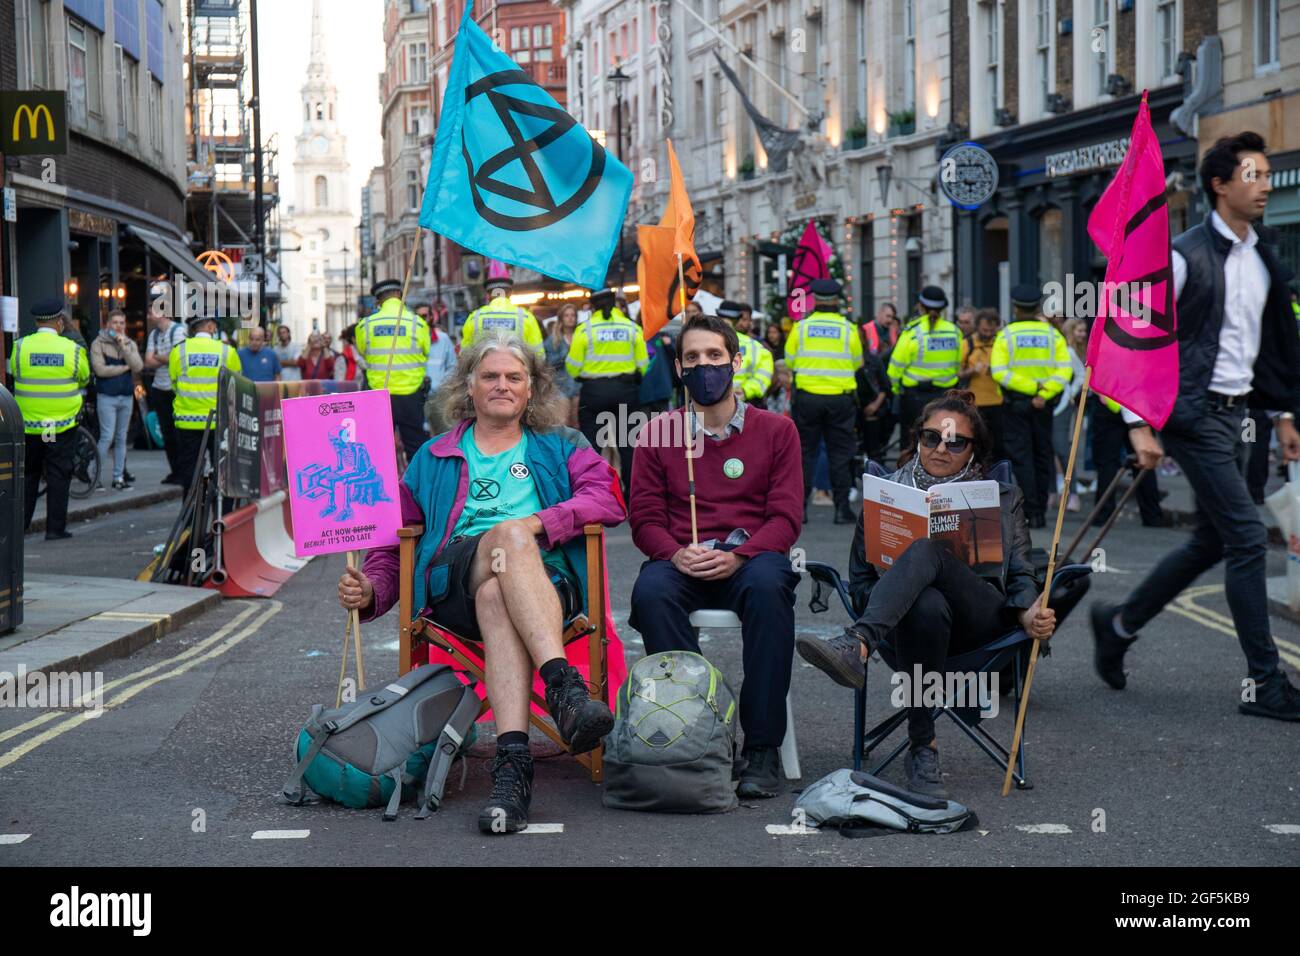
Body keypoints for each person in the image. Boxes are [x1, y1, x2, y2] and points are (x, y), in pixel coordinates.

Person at [339, 331, 626, 834]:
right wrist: (373, 590)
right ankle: (564, 687)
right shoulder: (433, 456)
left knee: (501, 587)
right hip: (455, 585)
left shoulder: (562, 446)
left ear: (531, 389)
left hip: (542, 584)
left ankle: (512, 769)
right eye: (489, 376)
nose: (502, 385)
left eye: (514, 377)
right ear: (468, 387)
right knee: (506, 541)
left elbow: (607, 499)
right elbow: (394, 540)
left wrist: (536, 525)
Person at [1093, 131, 1300, 720]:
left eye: (1265, 175)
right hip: (1193, 413)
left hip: (1240, 415)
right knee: (1244, 535)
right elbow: (1130, 335)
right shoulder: (1183, 256)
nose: (1263, 186)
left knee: (1212, 538)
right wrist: (1137, 424)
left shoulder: (1264, 258)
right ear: (1219, 184)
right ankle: (1266, 682)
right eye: (1252, 175)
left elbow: (1267, 348)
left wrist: (1281, 414)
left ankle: (1119, 624)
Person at [796, 389, 1055, 797]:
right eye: (931, 437)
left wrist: (1026, 613)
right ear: (917, 438)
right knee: (926, 605)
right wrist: (894, 580)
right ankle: (923, 746)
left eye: (955, 442)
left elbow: (1021, 571)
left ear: (975, 449)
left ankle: (857, 646)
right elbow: (860, 578)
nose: (940, 449)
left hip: (979, 621)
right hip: (905, 624)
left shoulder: (1000, 496)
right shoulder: (886, 491)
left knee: (928, 549)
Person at [629, 315, 803, 798]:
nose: (704, 367)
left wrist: (741, 555)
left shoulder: (778, 430)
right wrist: (675, 554)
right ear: (679, 368)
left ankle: (763, 748)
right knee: (650, 592)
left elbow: (786, 519)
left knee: (771, 589)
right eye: (692, 358)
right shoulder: (657, 433)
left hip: (750, 558)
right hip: (682, 558)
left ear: (735, 361)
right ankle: (700, 733)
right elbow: (643, 519)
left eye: (713, 356)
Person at [991, 285, 1073, 528]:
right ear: (1038, 307)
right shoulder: (1053, 335)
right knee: (1042, 455)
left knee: (1022, 458)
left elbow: (999, 372)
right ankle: (1040, 512)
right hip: (1043, 406)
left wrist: (1029, 390)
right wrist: (1043, 393)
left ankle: (1031, 510)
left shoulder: (1005, 336)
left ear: (1015, 308)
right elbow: (1064, 370)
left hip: (1016, 405)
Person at [784, 278, 864, 524]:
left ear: (815, 301)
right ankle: (841, 510)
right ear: (837, 301)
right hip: (840, 400)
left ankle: (800, 511)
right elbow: (858, 363)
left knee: (804, 453)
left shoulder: (802, 327)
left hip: (807, 399)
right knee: (840, 454)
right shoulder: (848, 329)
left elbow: (789, 361)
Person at [11, 299, 91, 540]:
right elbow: (84, 378)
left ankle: (20, 526)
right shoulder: (72, 349)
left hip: (29, 424)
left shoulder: (20, 346)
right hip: (59, 424)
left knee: (29, 474)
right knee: (58, 474)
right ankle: (55, 529)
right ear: (59, 322)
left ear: (37, 322)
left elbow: (14, 373)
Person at [566, 287, 648, 496]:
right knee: (628, 448)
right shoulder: (632, 328)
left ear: (592, 306)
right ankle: (632, 499)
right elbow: (643, 364)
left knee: (591, 449)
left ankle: (591, 497)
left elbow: (573, 367)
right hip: (626, 391)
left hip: (594, 393)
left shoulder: (585, 330)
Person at [355, 278, 431, 463]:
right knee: (415, 448)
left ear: (378, 300)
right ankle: (416, 489)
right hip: (411, 395)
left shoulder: (365, 325)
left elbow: (363, 352)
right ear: (400, 296)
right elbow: (425, 351)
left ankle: (384, 488)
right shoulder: (418, 324)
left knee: (378, 450)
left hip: (378, 395)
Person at [169, 314, 242, 491]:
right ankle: (224, 516)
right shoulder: (227, 351)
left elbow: (174, 384)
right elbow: (237, 384)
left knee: (190, 472)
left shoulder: (178, 351)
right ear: (210, 327)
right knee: (223, 472)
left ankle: (191, 515)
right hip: (219, 420)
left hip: (187, 422)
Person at [888, 287, 961, 445]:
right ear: (943, 308)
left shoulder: (912, 333)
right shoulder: (954, 332)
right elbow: (958, 365)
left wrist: (896, 390)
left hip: (915, 400)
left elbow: (894, 370)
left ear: (920, 306)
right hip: (946, 398)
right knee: (946, 443)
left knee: (914, 444)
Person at [1088, 394, 1167, 527]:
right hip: (1137, 402)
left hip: (1110, 401)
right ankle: (1152, 515)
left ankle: (1103, 515)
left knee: (1107, 463)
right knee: (1144, 461)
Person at [90, 309, 143, 491]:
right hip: (107, 396)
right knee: (107, 437)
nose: (119, 326)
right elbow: (100, 370)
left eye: (121, 323)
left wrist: (124, 348)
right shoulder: (98, 343)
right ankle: (94, 476)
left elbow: (138, 366)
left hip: (126, 396)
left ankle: (118, 477)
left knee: (121, 438)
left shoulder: (129, 343)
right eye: (115, 323)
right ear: (107, 324)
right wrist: (123, 368)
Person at [144, 287, 187, 485]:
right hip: (159, 389)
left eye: (151, 311)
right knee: (167, 434)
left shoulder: (178, 331)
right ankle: (175, 471)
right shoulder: (154, 335)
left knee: (179, 434)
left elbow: (177, 358)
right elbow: (147, 362)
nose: (148, 315)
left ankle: (182, 471)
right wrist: (165, 358)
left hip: (175, 389)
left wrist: (160, 358)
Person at [1049, 316, 1090, 513]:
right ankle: (1052, 493)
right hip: (1048, 404)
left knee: (1062, 450)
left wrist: (1071, 395)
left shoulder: (1067, 351)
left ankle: (1071, 494)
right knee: (1047, 451)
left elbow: (1082, 375)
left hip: (1061, 406)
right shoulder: (1060, 349)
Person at [460, 270, 544, 358]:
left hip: (484, 370)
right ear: (510, 294)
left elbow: (465, 354)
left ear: (488, 296)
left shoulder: (474, 318)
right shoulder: (526, 317)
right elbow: (538, 354)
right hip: (517, 370)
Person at [960, 307, 1004, 458]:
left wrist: (997, 371)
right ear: (977, 326)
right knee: (977, 444)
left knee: (998, 446)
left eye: (991, 330)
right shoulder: (967, 343)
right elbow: (957, 373)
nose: (988, 334)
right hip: (975, 403)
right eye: (984, 330)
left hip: (999, 403)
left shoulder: (1001, 342)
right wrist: (971, 371)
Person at [718, 299, 773, 404]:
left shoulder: (754, 346)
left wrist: (745, 390)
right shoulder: (754, 346)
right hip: (716, 405)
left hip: (743, 403)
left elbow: (763, 376)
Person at [543, 303, 581, 427]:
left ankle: (578, 448)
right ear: (561, 318)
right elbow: (549, 364)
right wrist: (567, 352)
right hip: (561, 387)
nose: (570, 318)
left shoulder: (582, 336)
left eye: (573, 315)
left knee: (577, 425)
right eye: (566, 315)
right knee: (563, 424)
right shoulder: (553, 340)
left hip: (579, 387)